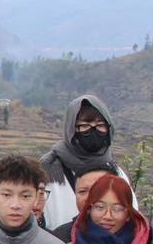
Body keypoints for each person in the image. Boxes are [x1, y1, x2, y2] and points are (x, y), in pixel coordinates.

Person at [39, 95, 129, 230]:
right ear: (72, 129)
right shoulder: (49, 170)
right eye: (85, 125)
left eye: (100, 125)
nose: (93, 130)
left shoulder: (117, 172)